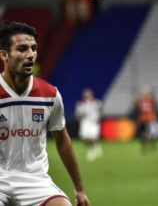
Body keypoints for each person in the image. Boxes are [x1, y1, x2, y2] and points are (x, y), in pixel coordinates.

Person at [0, 21, 90, 206]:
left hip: (35, 181)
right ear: (4, 55)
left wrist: (79, 189)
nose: (30, 55)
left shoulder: (50, 95)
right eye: (22, 49)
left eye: (34, 49)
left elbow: (63, 141)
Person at [75, 88, 103, 161]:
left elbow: (101, 110)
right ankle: (91, 149)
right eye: (85, 94)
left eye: (88, 94)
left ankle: (92, 150)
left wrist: (99, 117)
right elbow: (78, 114)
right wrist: (79, 118)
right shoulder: (80, 104)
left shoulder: (96, 102)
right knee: (85, 137)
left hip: (93, 122)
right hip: (85, 122)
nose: (87, 95)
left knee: (92, 137)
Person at [134, 85, 158, 153]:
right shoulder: (141, 100)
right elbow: (137, 107)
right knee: (143, 133)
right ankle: (144, 147)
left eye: (146, 92)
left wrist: (154, 115)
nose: (145, 93)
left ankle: (152, 146)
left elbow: (154, 108)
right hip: (143, 119)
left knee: (151, 132)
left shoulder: (151, 99)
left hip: (149, 118)